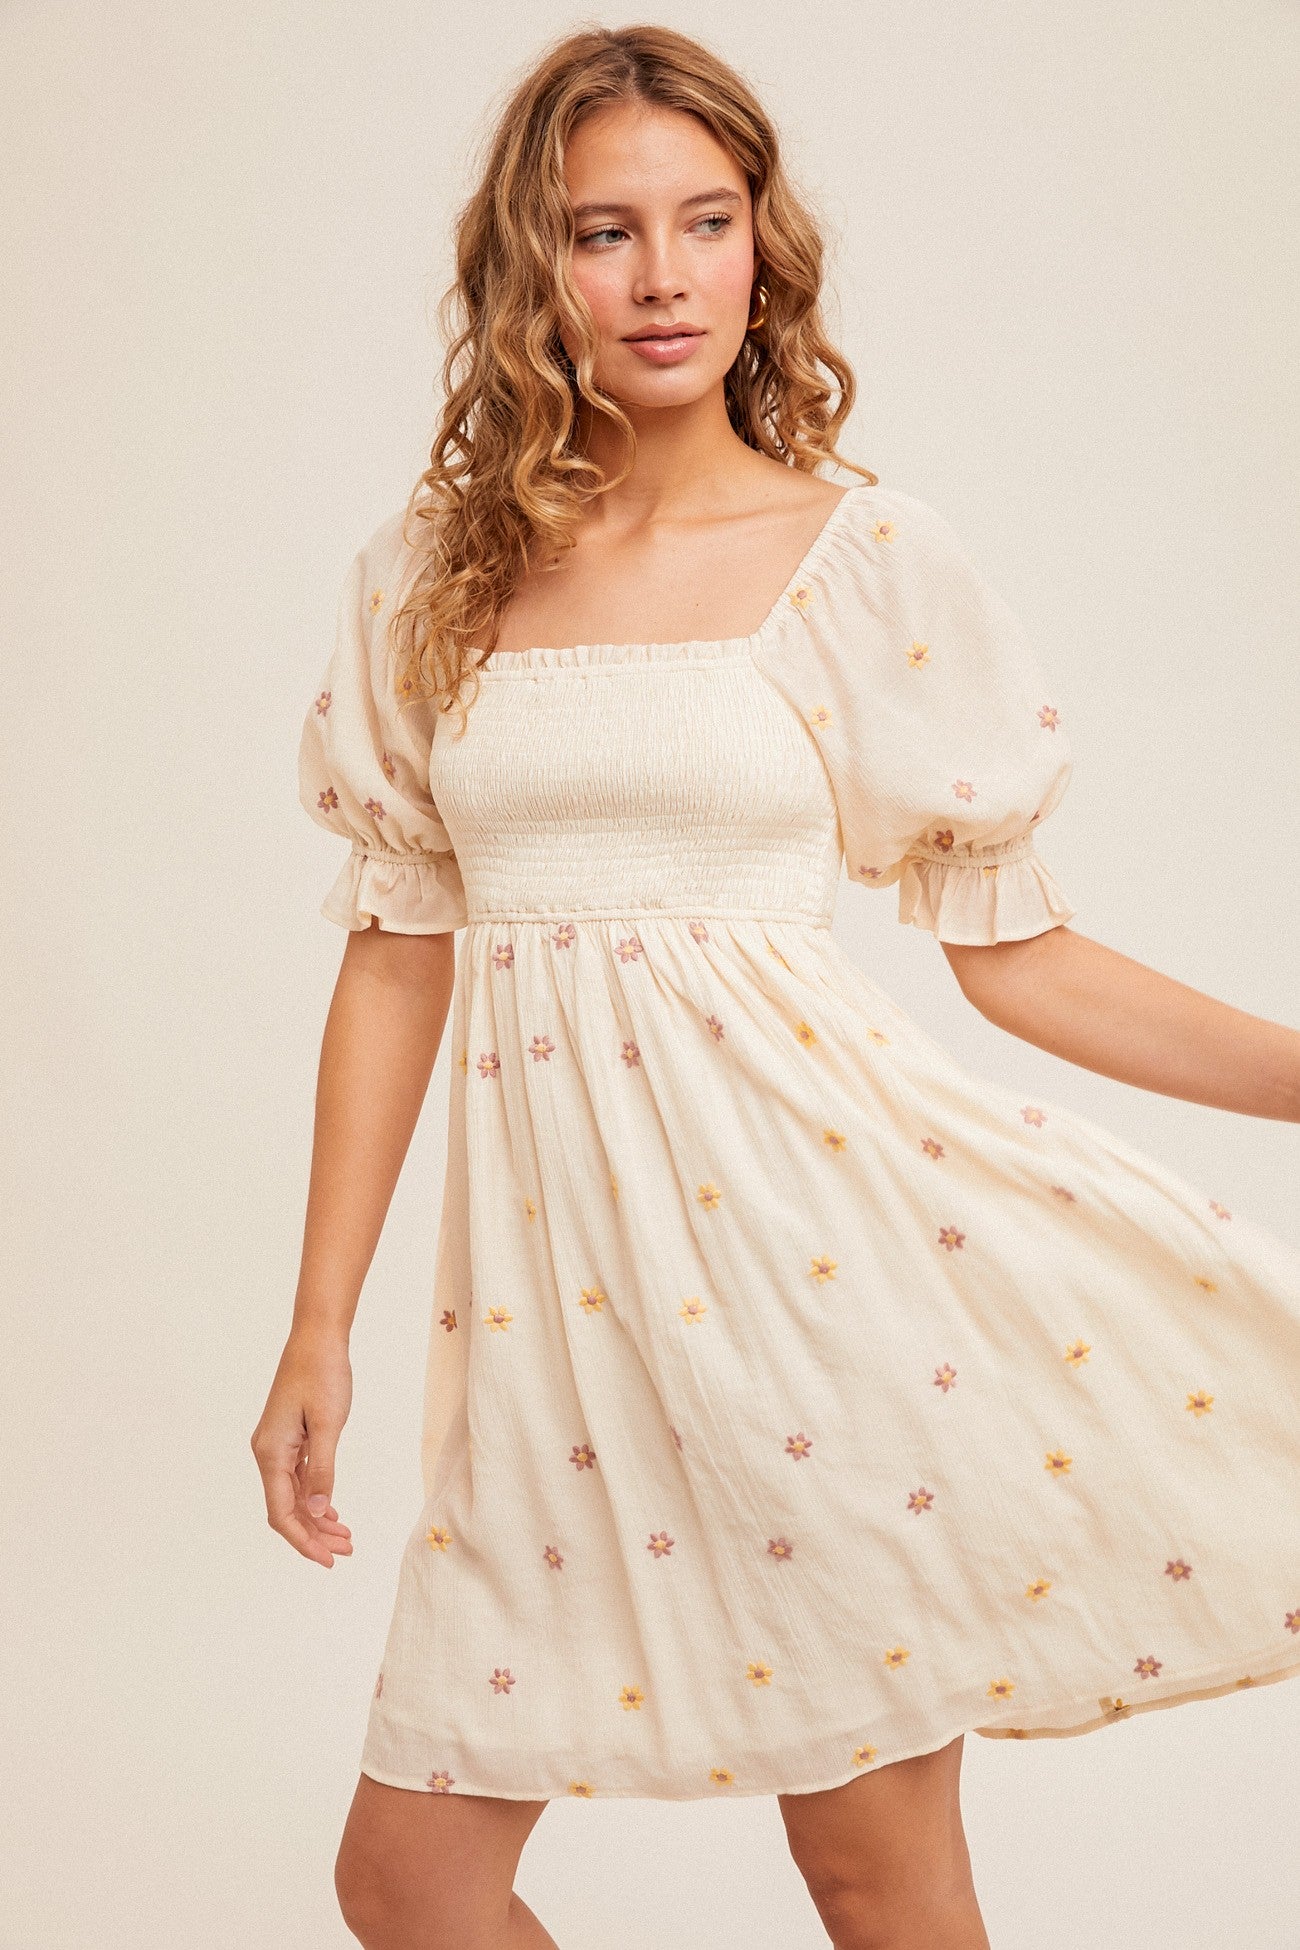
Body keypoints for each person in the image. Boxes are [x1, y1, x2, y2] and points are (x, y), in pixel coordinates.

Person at [250, 23, 1300, 1950]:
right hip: (553, 1336)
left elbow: (1018, 953)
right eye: (605, 231)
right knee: (408, 1880)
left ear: (762, 247)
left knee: (873, 1875)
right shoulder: (431, 579)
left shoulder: (864, 557)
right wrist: (318, 1325)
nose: (662, 277)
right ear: (533, 264)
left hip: (814, 1288)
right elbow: (397, 950)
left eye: (706, 221)